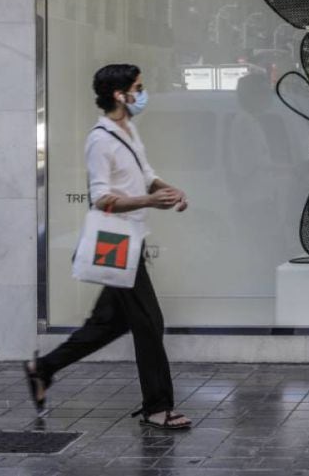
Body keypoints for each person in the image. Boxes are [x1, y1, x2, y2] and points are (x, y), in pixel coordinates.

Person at [24, 64, 192, 429]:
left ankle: (43, 369)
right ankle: (157, 408)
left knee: (108, 324)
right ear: (120, 95)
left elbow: (145, 175)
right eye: (138, 87)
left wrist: (166, 189)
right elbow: (100, 198)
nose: (142, 93)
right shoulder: (100, 140)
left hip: (132, 239)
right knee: (150, 323)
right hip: (118, 242)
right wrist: (150, 202)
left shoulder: (127, 129)